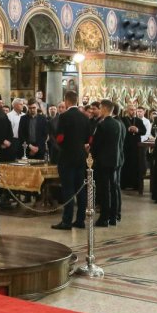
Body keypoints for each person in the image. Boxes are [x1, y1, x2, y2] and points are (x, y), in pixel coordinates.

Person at [51, 90, 90, 230]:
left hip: (67, 157)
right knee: (80, 189)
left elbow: (60, 137)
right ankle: (80, 220)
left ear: (66, 101)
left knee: (68, 189)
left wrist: (62, 146)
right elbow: (89, 138)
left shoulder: (64, 116)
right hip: (81, 157)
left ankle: (67, 221)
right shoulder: (85, 117)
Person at [90, 100, 123, 226]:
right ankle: (113, 217)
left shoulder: (102, 125)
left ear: (104, 109)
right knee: (113, 188)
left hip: (103, 162)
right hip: (115, 161)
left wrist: (91, 151)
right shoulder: (118, 124)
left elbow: (96, 144)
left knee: (104, 190)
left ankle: (104, 218)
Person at [118, 104, 146, 191]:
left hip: (136, 146)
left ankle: (135, 185)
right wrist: (128, 129)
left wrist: (137, 130)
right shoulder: (122, 119)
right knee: (125, 165)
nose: (133, 112)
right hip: (125, 146)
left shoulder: (138, 120)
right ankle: (124, 184)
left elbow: (144, 131)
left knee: (135, 165)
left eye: (134, 110)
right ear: (127, 110)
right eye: (131, 110)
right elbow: (120, 131)